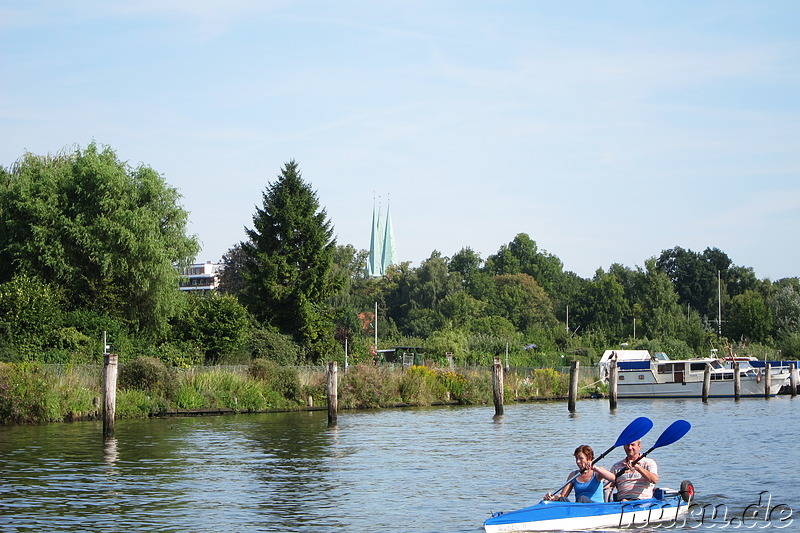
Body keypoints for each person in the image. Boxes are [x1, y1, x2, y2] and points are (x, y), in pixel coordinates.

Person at [544, 445, 616, 503]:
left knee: (582, 498)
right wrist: (552, 498)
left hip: (595, 508)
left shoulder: (597, 473)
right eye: (576, 458)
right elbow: (563, 495)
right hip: (580, 507)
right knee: (562, 500)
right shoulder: (573, 475)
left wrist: (595, 468)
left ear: (589, 458)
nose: (578, 461)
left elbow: (613, 478)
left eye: (581, 458)